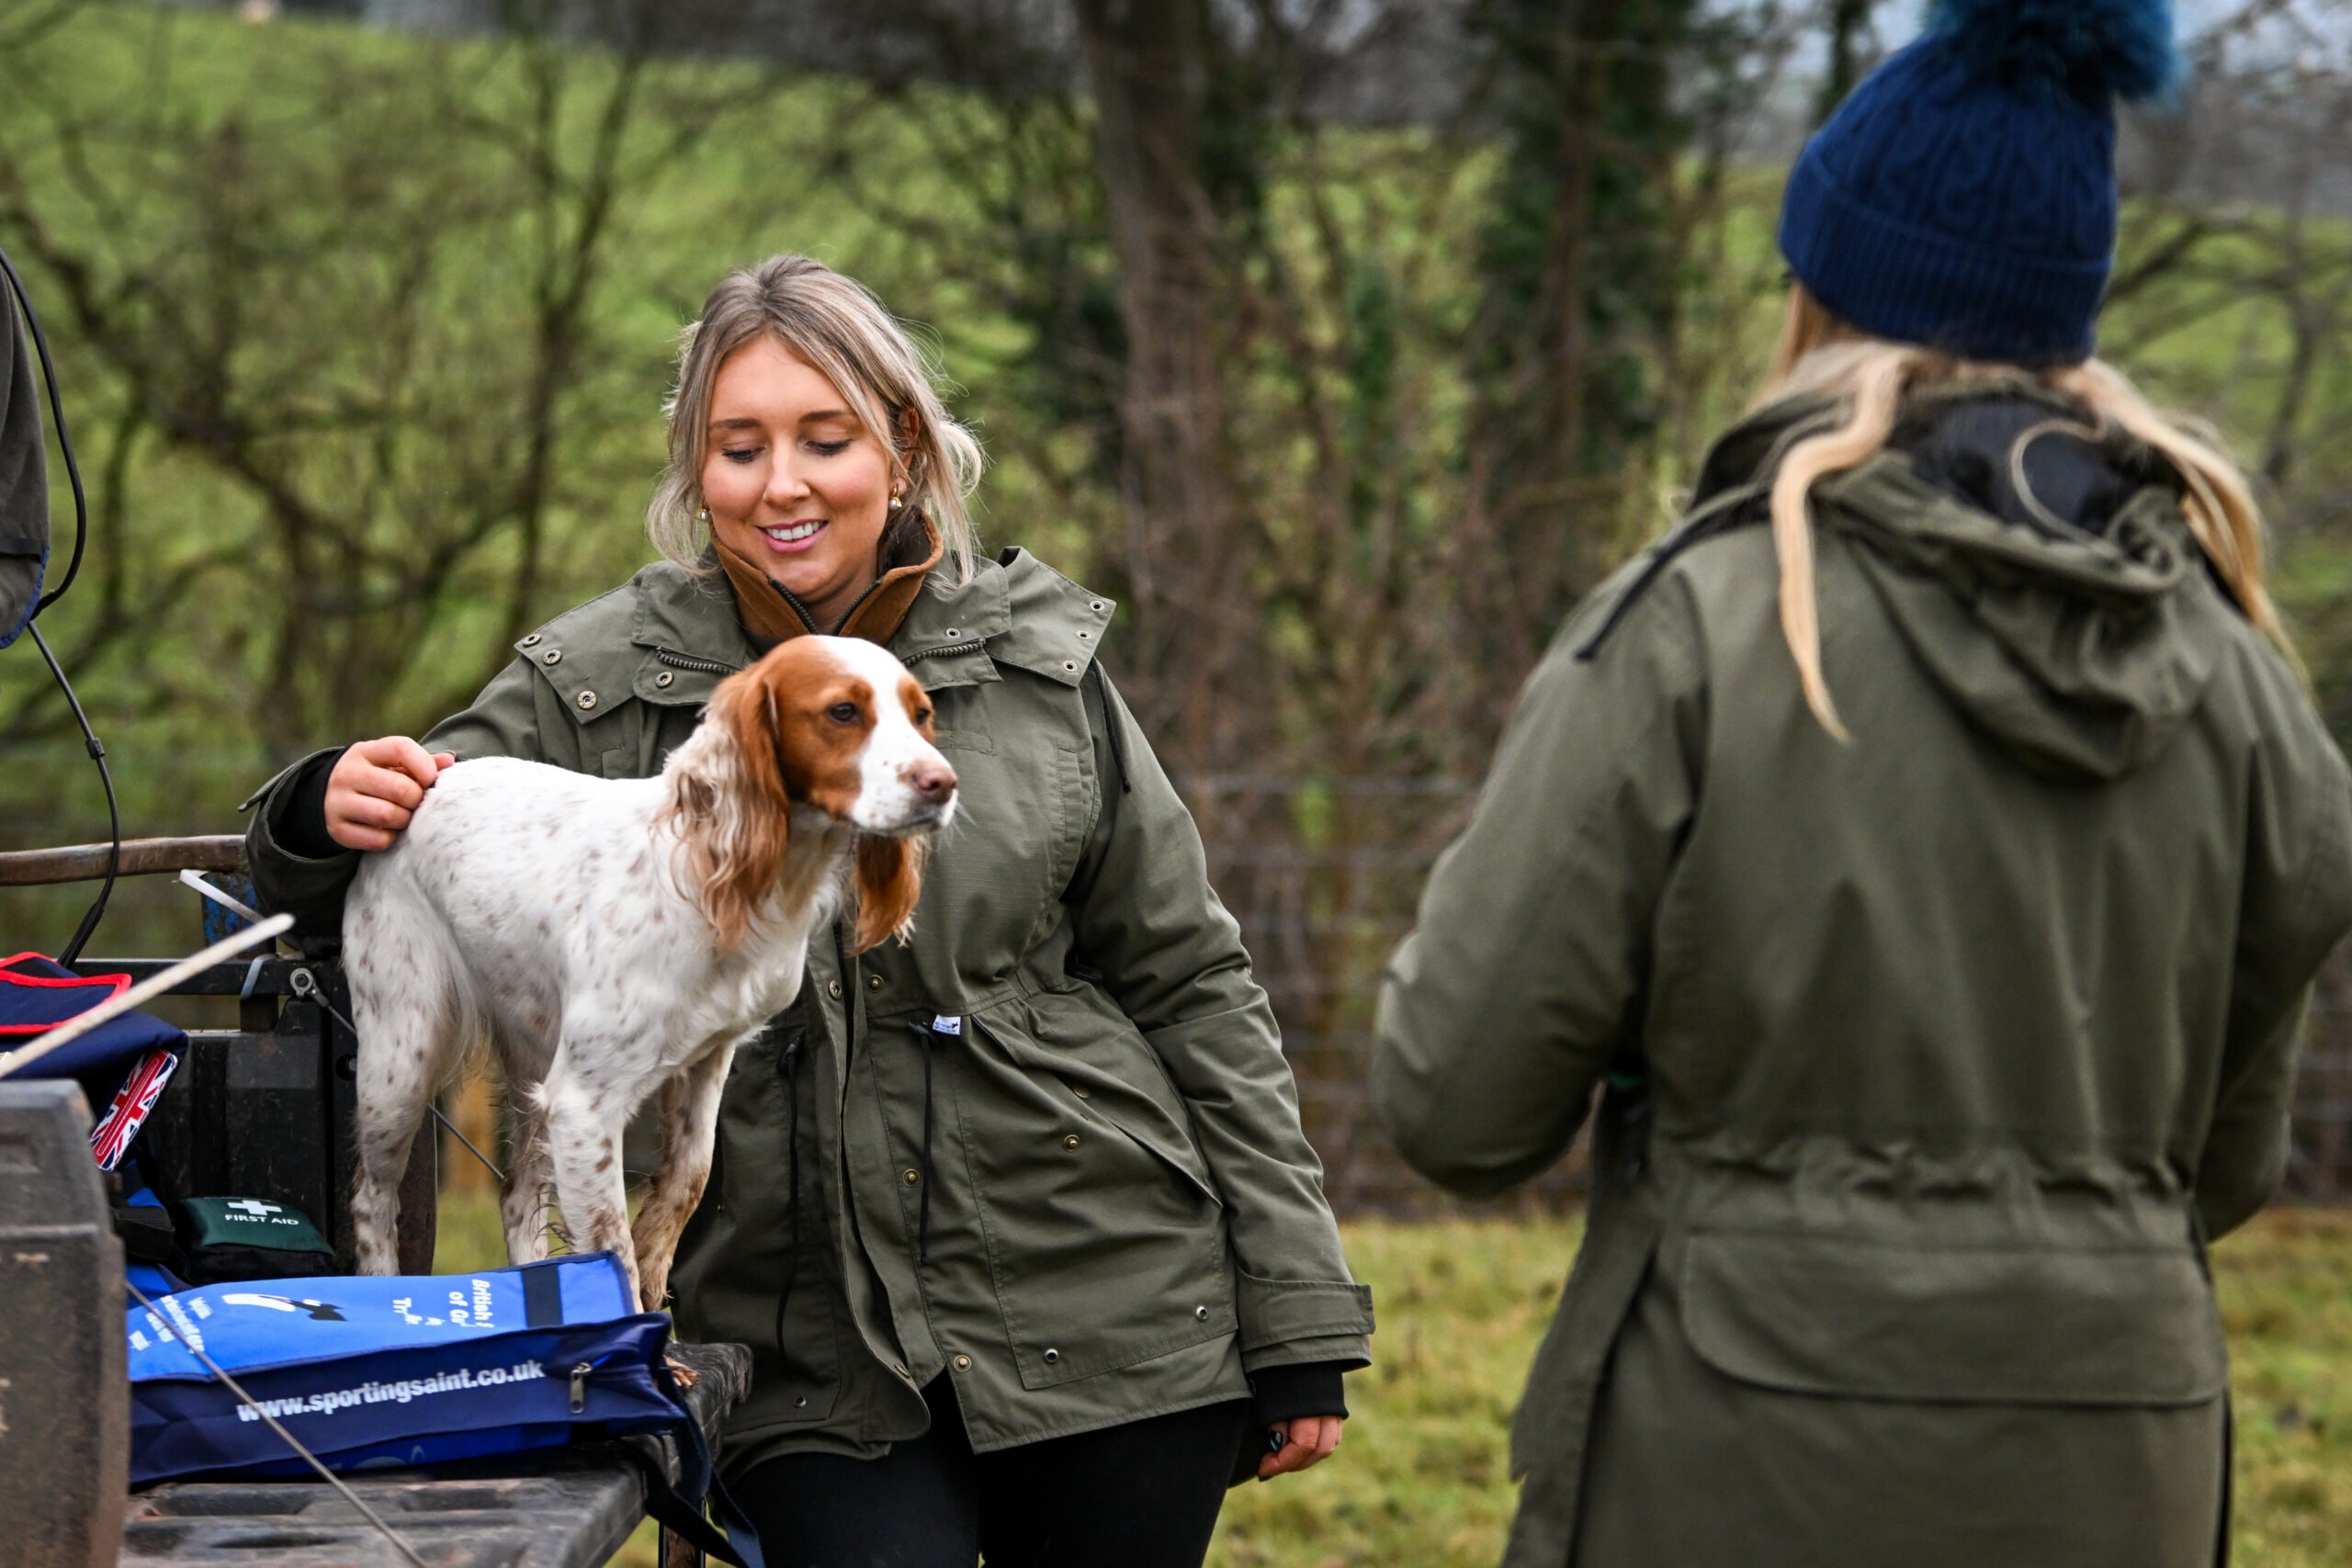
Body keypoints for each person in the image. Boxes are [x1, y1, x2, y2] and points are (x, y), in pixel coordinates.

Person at [1372, 5, 2352, 1567]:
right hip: (2128, 1456)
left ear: (1826, 296)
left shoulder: (1704, 621)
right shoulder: (2242, 674)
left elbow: (1454, 1099)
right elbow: (2221, 1171)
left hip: (1734, 1442)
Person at [242, 254, 1373, 1566]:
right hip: (798, 1366)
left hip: (1113, 1314)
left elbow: (1192, 984)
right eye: (738, 447)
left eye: (823, 439)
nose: (781, 483)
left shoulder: (1042, 667)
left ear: (900, 448)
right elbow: (410, 838)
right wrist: (316, 805)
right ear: (695, 473)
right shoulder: (595, 681)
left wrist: (1295, 1316)